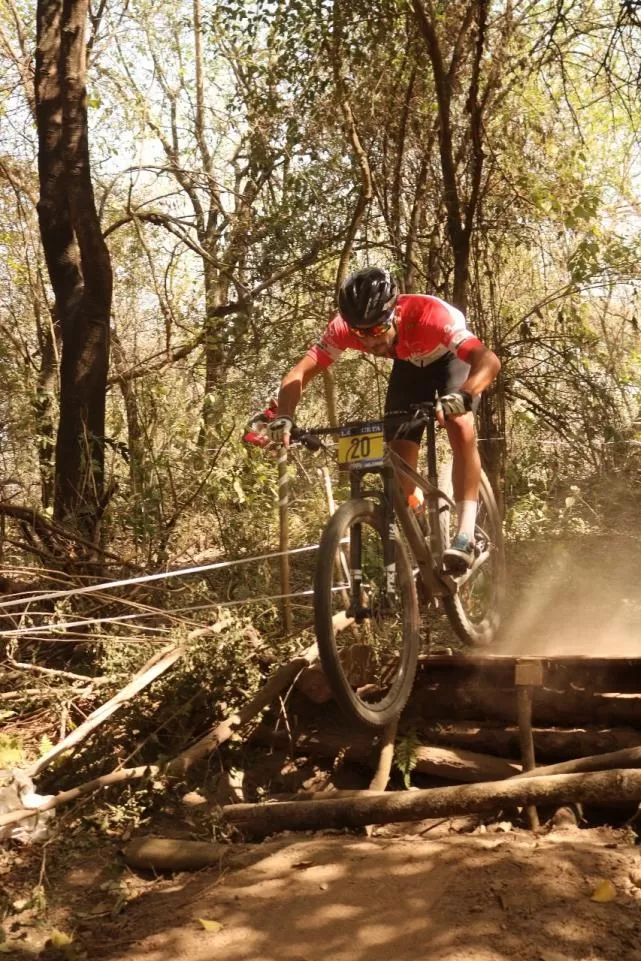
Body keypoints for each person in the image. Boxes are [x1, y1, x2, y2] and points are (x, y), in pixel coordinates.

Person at [268, 267, 500, 573]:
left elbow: (488, 360)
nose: (369, 341)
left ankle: (466, 534)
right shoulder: (344, 329)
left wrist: (465, 395)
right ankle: (422, 526)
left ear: (395, 315)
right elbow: (299, 373)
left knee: (459, 424)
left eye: (377, 330)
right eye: (360, 333)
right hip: (408, 364)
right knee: (400, 459)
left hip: (447, 358)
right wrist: (284, 417)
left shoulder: (431, 318)